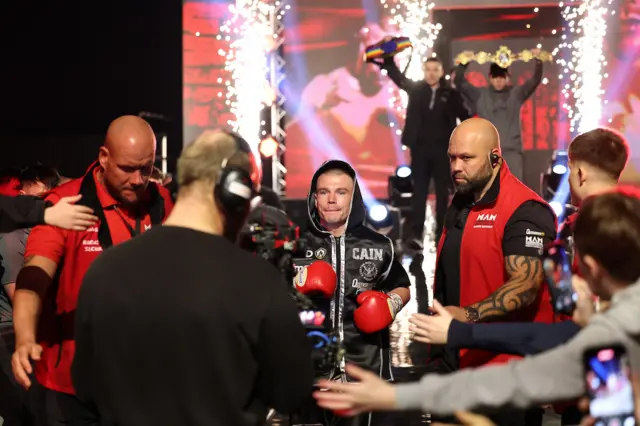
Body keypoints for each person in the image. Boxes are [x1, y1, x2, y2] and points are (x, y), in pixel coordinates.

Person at [313, 186, 640, 421]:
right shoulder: (608, 333)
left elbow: (511, 381)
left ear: (593, 268)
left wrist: (395, 396)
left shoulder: (609, 343)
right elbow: (549, 341)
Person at [72, 130, 314, 426]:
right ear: (234, 192)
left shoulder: (103, 270)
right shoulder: (255, 280)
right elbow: (290, 393)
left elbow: (84, 386)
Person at [11, 115, 174, 426]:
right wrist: (24, 338)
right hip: (71, 389)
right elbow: (34, 274)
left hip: (145, 384)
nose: (139, 180)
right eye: (127, 169)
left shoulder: (164, 202)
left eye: (147, 168)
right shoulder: (67, 203)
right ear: (103, 158)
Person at [426, 117, 556, 425]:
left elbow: (526, 284)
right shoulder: (461, 203)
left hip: (506, 369)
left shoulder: (526, 210)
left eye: (466, 158)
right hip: (454, 359)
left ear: (495, 157)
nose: (456, 166)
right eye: (452, 158)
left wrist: (467, 317)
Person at [292, 159, 411, 426]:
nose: (331, 200)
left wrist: (390, 304)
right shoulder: (296, 244)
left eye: (341, 192)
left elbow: (403, 288)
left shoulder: (380, 245)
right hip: (307, 369)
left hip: (363, 368)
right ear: (314, 198)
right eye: (324, 192)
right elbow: (270, 295)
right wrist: (294, 289)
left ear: (353, 197)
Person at [379, 55, 470, 247]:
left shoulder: (450, 94)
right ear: (424, 71)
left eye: (435, 70)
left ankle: (441, 234)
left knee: (442, 194)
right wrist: (388, 60)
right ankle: (416, 235)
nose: (431, 73)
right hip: (420, 149)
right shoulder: (417, 89)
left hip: (443, 150)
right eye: (428, 69)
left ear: (442, 71)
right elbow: (399, 79)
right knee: (419, 192)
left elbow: (465, 116)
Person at [0, 164, 63, 426]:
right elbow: (19, 295)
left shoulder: (44, 231)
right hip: (9, 335)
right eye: (40, 202)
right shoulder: (13, 236)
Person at [454, 53, 543, 180]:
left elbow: (534, 81)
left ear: (508, 78)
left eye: (502, 77)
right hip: (488, 152)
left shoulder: (516, 94)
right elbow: (459, 82)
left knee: (514, 192)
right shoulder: (480, 95)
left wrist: (538, 61)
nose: (498, 80)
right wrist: (464, 62)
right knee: (489, 192)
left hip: (512, 152)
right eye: (495, 77)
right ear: (490, 77)